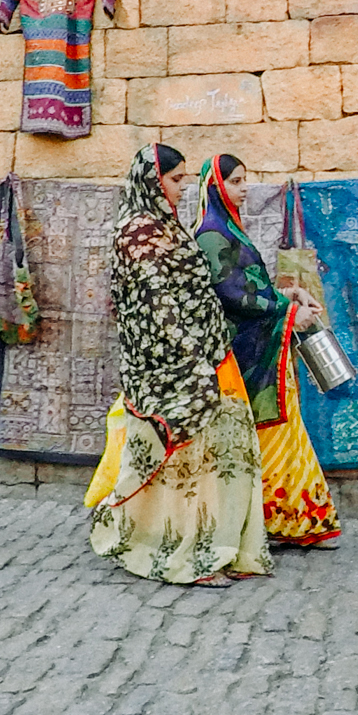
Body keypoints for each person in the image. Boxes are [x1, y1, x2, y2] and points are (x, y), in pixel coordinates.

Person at [87, 145, 272, 586]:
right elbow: (154, 306)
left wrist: (208, 346)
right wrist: (189, 359)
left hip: (208, 352)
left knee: (225, 454)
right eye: (175, 180)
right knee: (188, 460)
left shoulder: (168, 227)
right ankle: (187, 553)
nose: (182, 189)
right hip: (169, 367)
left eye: (186, 180)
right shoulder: (135, 234)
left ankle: (222, 546)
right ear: (153, 181)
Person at [194, 155, 344, 549]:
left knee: (286, 430)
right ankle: (281, 520)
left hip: (263, 345)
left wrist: (287, 296)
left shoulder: (230, 230)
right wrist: (287, 313)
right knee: (271, 433)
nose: (244, 189)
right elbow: (232, 294)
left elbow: (253, 288)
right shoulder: (212, 234)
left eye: (246, 180)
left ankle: (302, 520)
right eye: (236, 181)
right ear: (215, 185)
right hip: (245, 352)